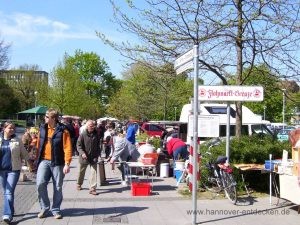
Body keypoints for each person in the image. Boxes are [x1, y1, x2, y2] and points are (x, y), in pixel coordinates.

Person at [35, 108, 72, 220]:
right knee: (40, 183)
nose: (44, 118)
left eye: (47, 116)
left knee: (57, 187)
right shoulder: (42, 128)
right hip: (44, 160)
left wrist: (67, 163)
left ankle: (56, 209)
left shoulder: (63, 130)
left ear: (53, 118)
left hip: (58, 162)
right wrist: (36, 158)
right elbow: (38, 143)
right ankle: (45, 207)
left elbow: (67, 147)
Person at [0, 121, 29, 224]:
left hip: (14, 170)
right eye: (9, 128)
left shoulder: (17, 140)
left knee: (8, 191)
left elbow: (24, 153)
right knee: (7, 192)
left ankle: (7, 215)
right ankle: (11, 211)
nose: (12, 130)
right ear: (4, 128)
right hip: (1, 171)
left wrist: (30, 164)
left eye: (13, 128)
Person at [76, 120, 100, 195]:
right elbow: (78, 146)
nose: (92, 127)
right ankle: (79, 184)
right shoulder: (82, 135)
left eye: (93, 125)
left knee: (94, 172)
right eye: (90, 126)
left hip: (93, 157)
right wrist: (82, 153)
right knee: (81, 172)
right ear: (87, 126)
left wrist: (98, 154)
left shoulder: (96, 134)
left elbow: (99, 146)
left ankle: (92, 188)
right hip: (84, 157)